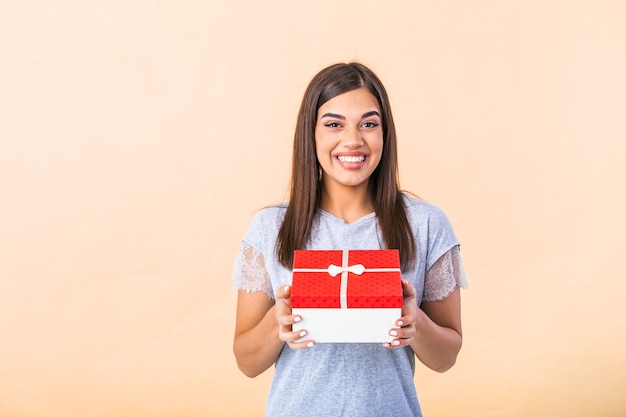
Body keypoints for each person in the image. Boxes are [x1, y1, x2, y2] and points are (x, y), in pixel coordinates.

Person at [232, 62, 468, 417]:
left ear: (385, 134)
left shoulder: (426, 224)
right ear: (310, 134)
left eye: (369, 124)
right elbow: (246, 362)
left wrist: (415, 324)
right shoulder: (271, 227)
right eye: (333, 124)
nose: (353, 140)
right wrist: (275, 325)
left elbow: (446, 357)